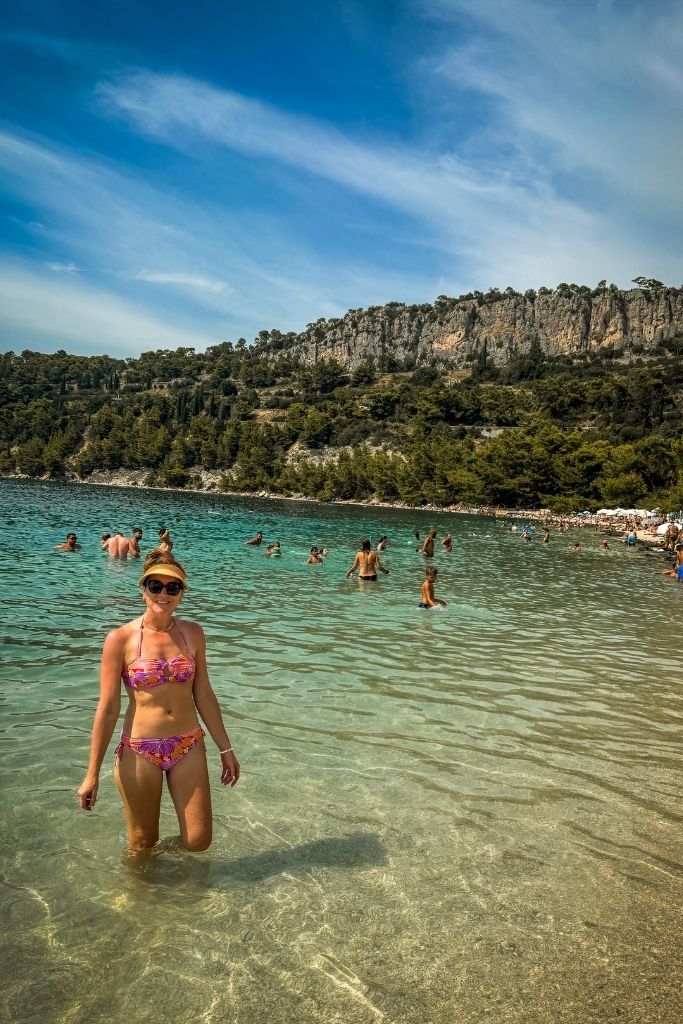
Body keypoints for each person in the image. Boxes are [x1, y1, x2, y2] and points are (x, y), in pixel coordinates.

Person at [77, 552, 239, 852]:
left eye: (172, 587)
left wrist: (225, 748)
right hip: (140, 749)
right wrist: (91, 774)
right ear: (143, 589)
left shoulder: (193, 633)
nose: (163, 593)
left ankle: (169, 871)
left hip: (188, 743)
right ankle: (142, 881)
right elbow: (108, 708)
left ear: (181, 594)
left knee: (198, 841)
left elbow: (204, 693)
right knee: (142, 843)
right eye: (155, 586)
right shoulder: (119, 639)